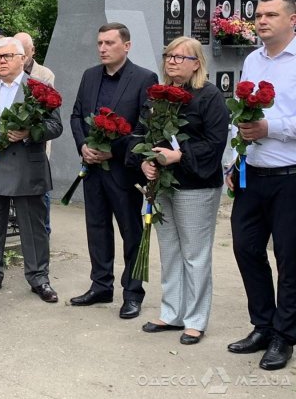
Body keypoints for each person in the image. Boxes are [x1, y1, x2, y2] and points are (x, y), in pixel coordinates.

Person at [128, 36, 229, 345]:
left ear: (196, 63)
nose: (171, 61)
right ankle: (172, 312)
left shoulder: (209, 97)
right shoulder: (160, 97)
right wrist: (145, 163)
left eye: (180, 57)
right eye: (168, 55)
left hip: (196, 186)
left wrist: (180, 156)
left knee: (195, 255)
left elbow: (214, 143)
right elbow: (141, 133)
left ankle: (196, 319)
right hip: (162, 184)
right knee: (170, 250)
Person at [226, 0, 296, 371]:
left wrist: (271, 127)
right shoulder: (252, 60)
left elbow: (270, 123)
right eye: (258, 15)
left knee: (288, 258)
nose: (262, 20)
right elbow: (241, 118)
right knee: (246, 248)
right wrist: (233, 160)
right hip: (252, 172)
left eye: (271, 14)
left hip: (290, 175)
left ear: (292, 20)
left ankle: (284, 336)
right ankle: (263, 324)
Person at [69, 23, 158, 319]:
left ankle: (132, 293)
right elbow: (77, 115)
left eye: (109, 43)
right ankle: (100, 285)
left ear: (127, 46)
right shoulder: (90, 76)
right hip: (93, 168)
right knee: (96, 229)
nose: (103, 48)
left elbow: (145, 128)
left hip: (124, 172)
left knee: (131, 233)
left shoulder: (144, 78)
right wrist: (83, 146)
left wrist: (115, 150)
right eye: (100, 43)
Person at [0, 37, 62, 302]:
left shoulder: (39, 88)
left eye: (8, 56)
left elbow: (56, 126)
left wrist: (28, 133)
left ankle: (39, 278)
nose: (2, 61)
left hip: (27, 169)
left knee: (33, 228)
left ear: (23, 58)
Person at [15, 32, 55, 234]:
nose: (21, 55)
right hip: (11, 146)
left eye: (24, 50)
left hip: (35, 142)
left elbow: (48, 114)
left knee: (40, 191)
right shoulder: (4, 74)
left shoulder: (44, 74)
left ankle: (43, 232)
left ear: (32, 51)